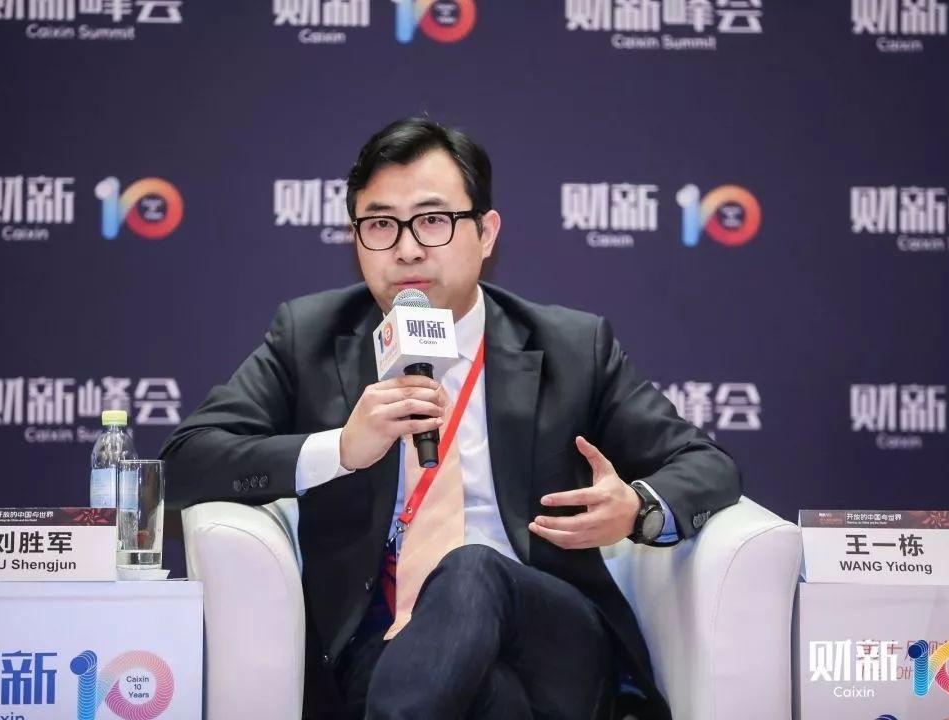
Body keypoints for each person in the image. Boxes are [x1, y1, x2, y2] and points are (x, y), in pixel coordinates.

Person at [160, 117, 741, 720]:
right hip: (381, 646)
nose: (407, 248)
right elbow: (184, 462)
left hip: (551, 637)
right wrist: (339, 450)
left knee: (470, 568)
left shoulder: (572, 347)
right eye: (380, 225)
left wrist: (638, 510)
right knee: (486, 698)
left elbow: (706, 465)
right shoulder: (309, 338)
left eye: (433, 220)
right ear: (355, 238)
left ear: (486, 233)